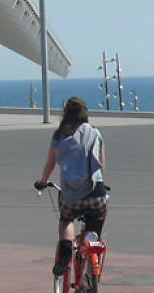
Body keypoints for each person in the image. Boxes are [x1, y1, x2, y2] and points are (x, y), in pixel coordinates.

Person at [33, 97, 106, 277]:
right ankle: (91, 254)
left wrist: (43, 182)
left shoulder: (59, 135)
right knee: (95, 221)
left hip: (70, 194)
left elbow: (50, 163)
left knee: (66, 219)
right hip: (96, 191)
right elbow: (101, 166)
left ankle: (66, 247)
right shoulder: (95, 133)